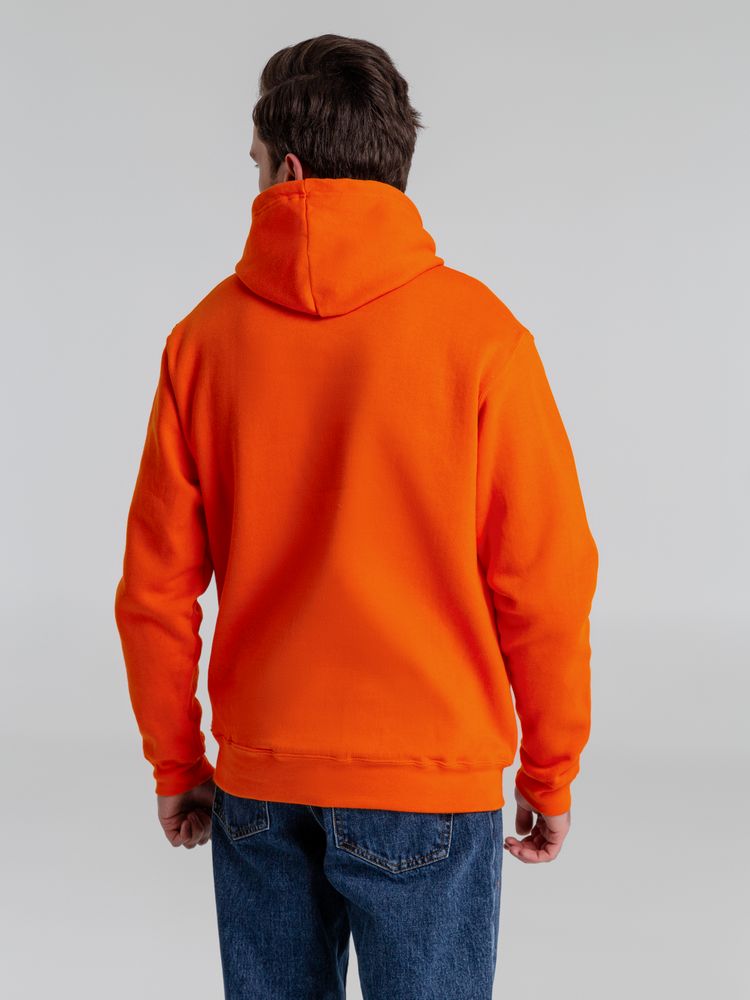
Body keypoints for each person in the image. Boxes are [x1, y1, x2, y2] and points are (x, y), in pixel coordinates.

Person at [114, 32, 599, 1000]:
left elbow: (155, 591)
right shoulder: (482, 338)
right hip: (429, 778)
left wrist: (178, 760)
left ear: (289, 172)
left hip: (260, 776)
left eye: (255, 165)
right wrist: (550, 771)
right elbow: (544, 585)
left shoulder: (203, 341)